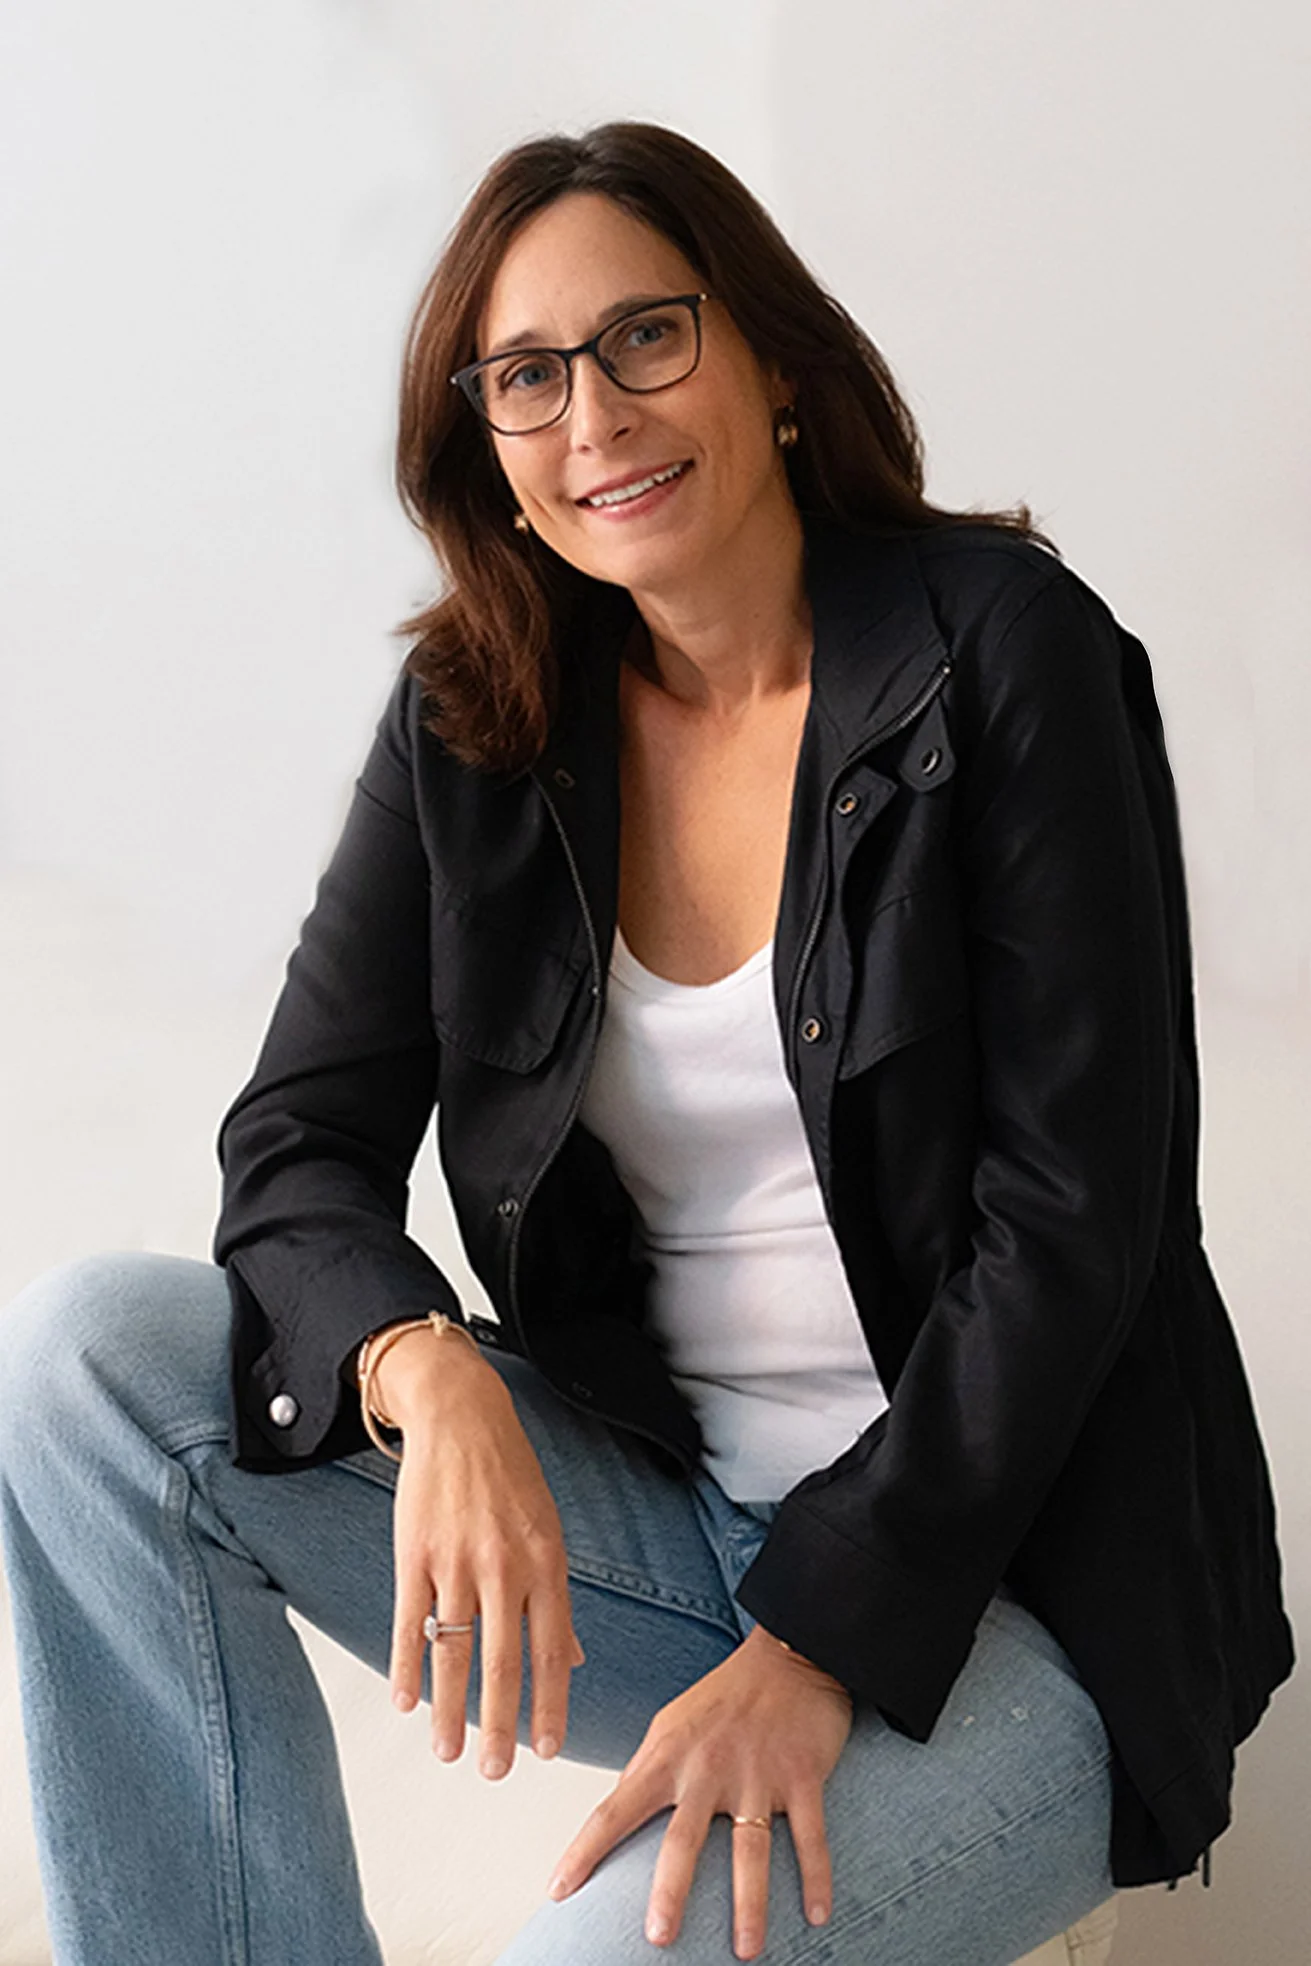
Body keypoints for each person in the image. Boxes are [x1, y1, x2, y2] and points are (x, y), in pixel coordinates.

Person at [0, 120, 1294, 1966]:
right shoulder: (476, 720)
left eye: (644, 337)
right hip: (676, 1524)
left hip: (1018, 1589)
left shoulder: (1008, 653)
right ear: (491, 447)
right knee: (82, 1366)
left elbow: (1073, 1226)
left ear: (771, 360)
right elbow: (295, 1138)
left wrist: (819, 1642)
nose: (595, 414)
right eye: (528, 374)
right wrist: (420, 1365)